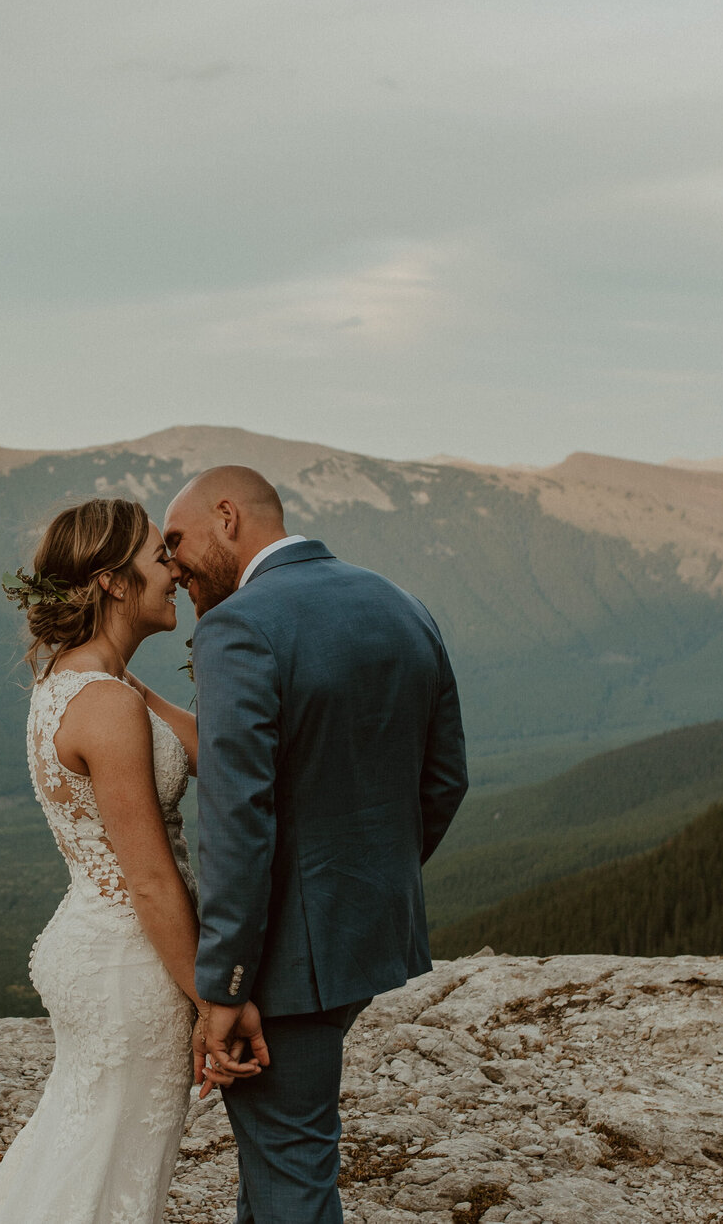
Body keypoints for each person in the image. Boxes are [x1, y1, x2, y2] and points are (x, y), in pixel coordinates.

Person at [162, 465, 468, 1224]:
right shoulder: (400, 603)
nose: (170, 566)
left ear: (227, 517)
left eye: (176, 541)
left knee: (292, 1168)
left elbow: (238, 817)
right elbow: (445, 778)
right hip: (363, 939)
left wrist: (227, 986)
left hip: (284, 965)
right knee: (278, 1155)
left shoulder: (238, 626)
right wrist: (359, 886)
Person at [0, 496, 261, 1224]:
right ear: (113, 582)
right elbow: (152, 880)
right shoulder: (107, 703)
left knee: (86, 1149)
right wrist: (211, 1003)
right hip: (134, 960)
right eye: (160, 557)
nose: (175, 570)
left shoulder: (86, 683)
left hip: (100, 948)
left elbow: (208, 751)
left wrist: (140, 675)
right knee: (109, 1163)